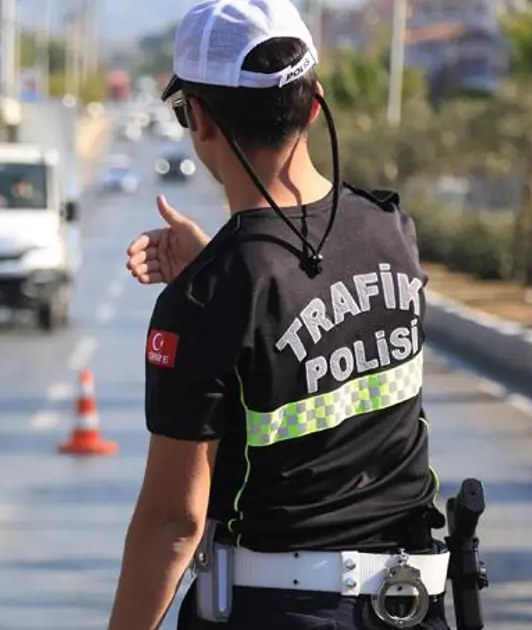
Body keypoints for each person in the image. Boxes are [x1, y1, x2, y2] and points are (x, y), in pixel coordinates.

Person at [107, 1, 452, 629]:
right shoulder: (392, 231)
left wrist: (211, 279)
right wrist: (214, 263)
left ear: (201, 120)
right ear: (315, 104)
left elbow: (173, 524)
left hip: (276, 610)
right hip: (411, 609)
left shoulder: (212, 298)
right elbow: (309, 310)